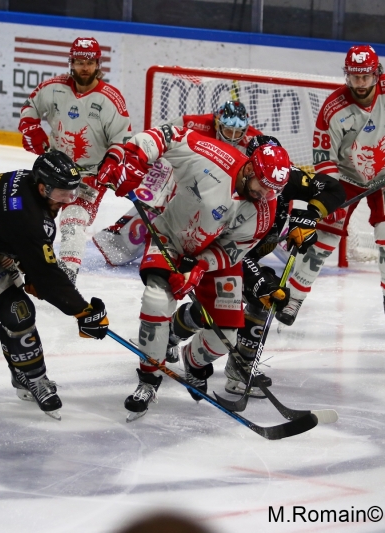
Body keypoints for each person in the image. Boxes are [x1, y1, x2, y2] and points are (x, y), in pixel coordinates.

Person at [99, 125, 292, 421]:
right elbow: (168, 135)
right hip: (170, 237)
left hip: (212, 258)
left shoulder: (265, 208)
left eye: (273, 189)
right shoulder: (212, 155)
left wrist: (199, 267)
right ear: (251, 167)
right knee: (155, 302)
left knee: (225, 334)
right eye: (263, 184)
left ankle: (192, 361)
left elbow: (233, 250)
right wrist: (133, 160)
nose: (267, 193)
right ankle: (149, 381)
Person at [0, 151, 110, 420]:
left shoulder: (27, 187)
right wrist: (83, 312)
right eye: (62, 194)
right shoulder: (28, 218)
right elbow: (48, 278)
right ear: (42, 187)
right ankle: (32, 378)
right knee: (18, 311)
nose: (67, 201)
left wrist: (25, 262)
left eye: (72, 193)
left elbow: (15, 235)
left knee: (17, 308)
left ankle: (21, 364)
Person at [279, 44, 385, 335]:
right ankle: (294, 299)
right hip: (344, 177)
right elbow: (322, 157)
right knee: (323, 239)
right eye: (355, 77)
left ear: (376, 73)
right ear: (347, 76)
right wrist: (329, 192)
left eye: (366, 77)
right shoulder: (333, 109)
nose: (360, 84)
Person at [165, 135, 345, 397]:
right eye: (263, 180)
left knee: (264, 298)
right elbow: (230, 250)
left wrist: (309, 216)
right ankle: (171, 336)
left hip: (246, 255)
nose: (269, 188)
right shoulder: (229, 185)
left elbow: (334, 190)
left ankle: (239, 368)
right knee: (216, 311)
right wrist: (260, 281)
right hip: (218, 256)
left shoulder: (282, 178)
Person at [92, 100, 261, 267]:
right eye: (227, 130)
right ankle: (120, 243)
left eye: (237, 132)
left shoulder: (255, 140)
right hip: (179, 168)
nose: (231, 137)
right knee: (153, 196)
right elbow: (163, 138)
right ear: (217, 123)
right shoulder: (193, 123)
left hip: (215, 180)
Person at [18, 36, 132, 283]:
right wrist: (30, 128)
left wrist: (112, 163)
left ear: (98, 65)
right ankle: (19, 261)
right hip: (54, 167)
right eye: (79, 62)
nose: (84, 68)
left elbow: (122, 139)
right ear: (71, 62)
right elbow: (29, 108)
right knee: (29, 213)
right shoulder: (54, 87)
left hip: (90, 175)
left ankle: (65, 278)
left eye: (89, 63)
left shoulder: (110, 99)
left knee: (73, 220)